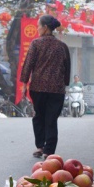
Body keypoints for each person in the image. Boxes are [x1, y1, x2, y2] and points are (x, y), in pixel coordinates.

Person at [20, 15, 71, 159]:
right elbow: (67, 68)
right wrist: (65, 84)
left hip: (38, 87)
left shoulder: (36, 44)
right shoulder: (62, 46)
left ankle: (40, 146)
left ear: (45, 27)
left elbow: (28, 64)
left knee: (39, 117)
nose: (37, 29)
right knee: (51, 119)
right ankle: (49, 151)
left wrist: (24, 84)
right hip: (57, 89)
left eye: (38, 26)